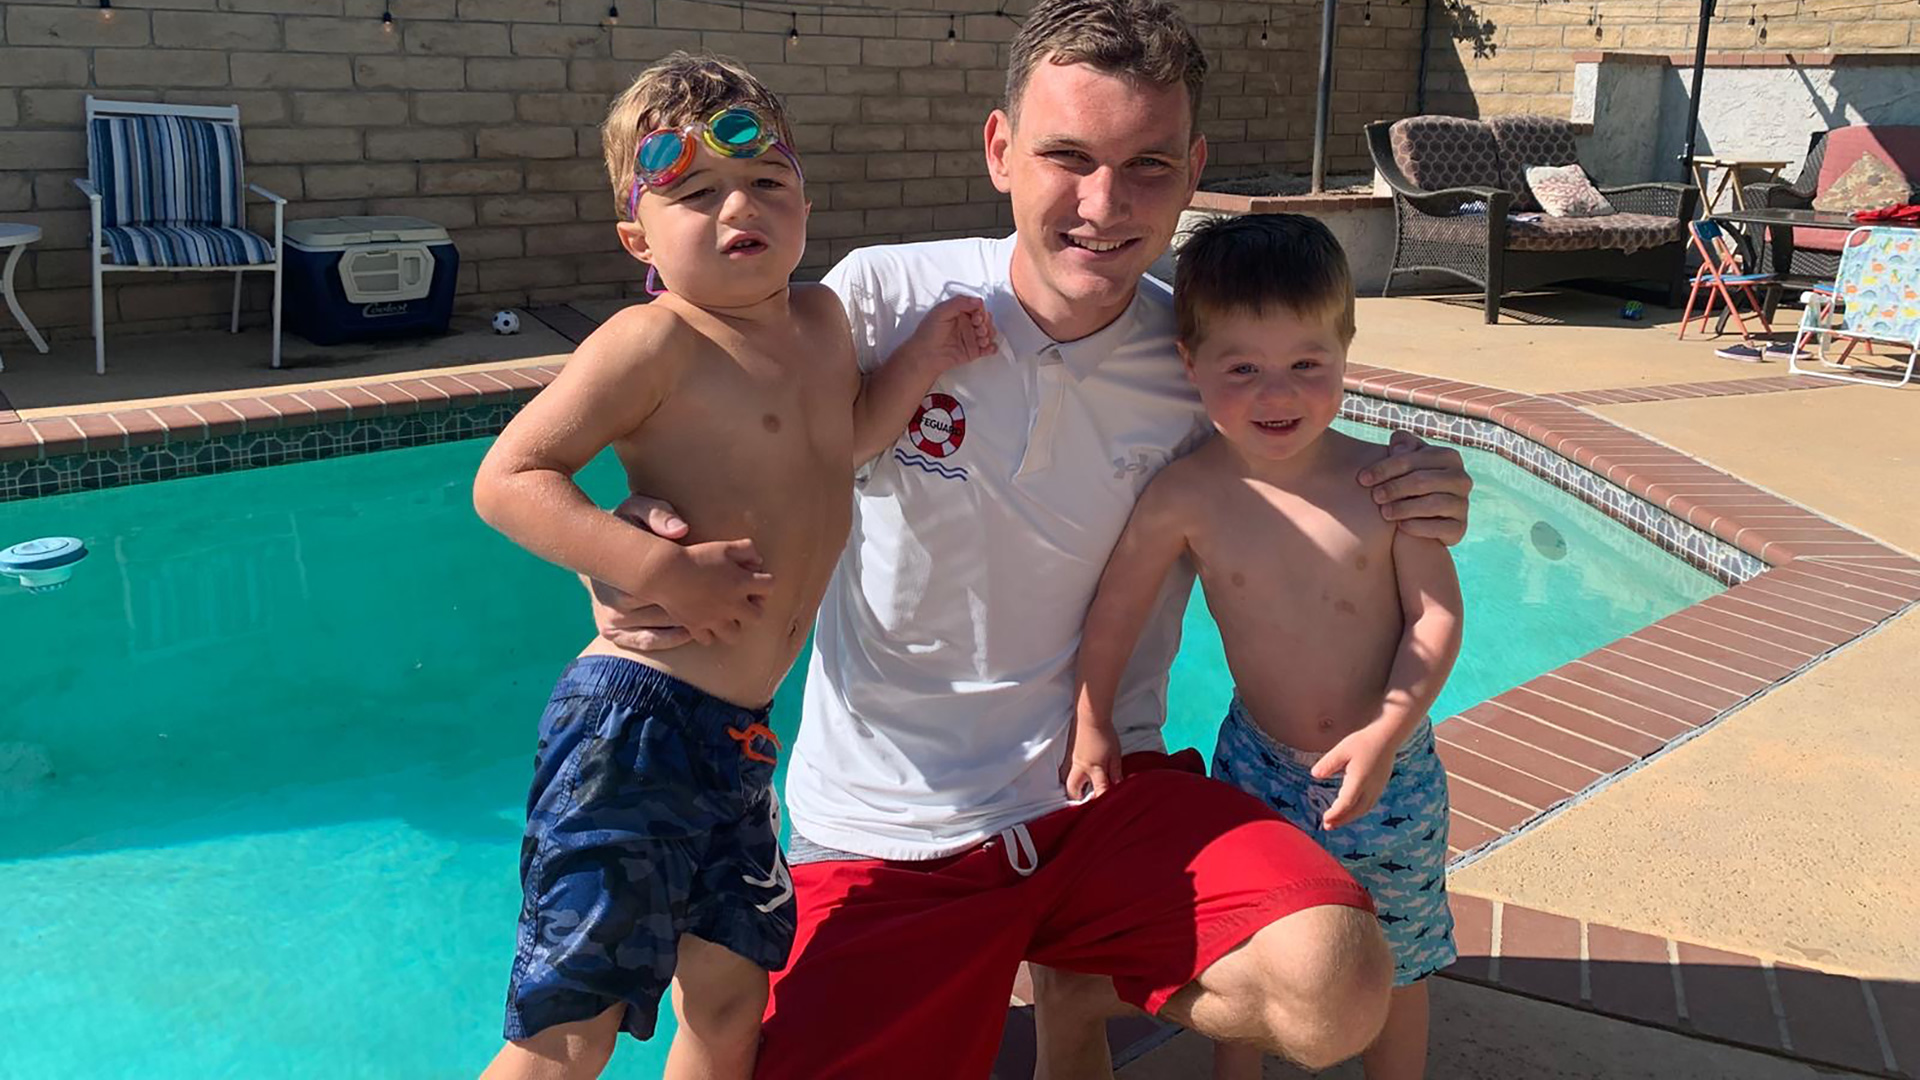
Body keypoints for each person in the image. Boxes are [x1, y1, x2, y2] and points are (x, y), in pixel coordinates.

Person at [586, 3, 1476, 1076]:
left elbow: (1307, 449)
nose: (1105, 204)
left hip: (1105, 796)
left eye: (1148, 165)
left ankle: (1076, 986)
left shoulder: (1202, 361)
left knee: (1338, 987)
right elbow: (729, 439)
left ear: (1193, 171)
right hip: (891, 825)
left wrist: (1420, 481)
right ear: (1001, 149)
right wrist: (639, 548)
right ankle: (1045, 970)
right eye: (1069, 157)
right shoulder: (879, 301)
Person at [469, 53, 993, 1080]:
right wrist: (654, 570)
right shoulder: (654, 342)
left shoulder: (822, 322)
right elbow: (508, 479)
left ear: (805, 203)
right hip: (634, 725)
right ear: (639, 238)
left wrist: (925, 358)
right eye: (697, 194)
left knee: (730, 997)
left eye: (764, 183)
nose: (738, 208)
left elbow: (842, 445)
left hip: (740, 736)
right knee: (572, 1029)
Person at [1069, 213, 1463, 1080]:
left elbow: (1435, 618)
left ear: (1345, 353)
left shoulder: (1386, 485)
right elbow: (1116, 611)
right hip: (1256, 764)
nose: (1276, 395)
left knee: (1399, 960)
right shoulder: (1187, 495)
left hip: (1391, 767)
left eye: (1306, 366)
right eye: (1242, 369)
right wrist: (1093, 720)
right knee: (1250, 934)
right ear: (1191, 364)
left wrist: (1387, 729)